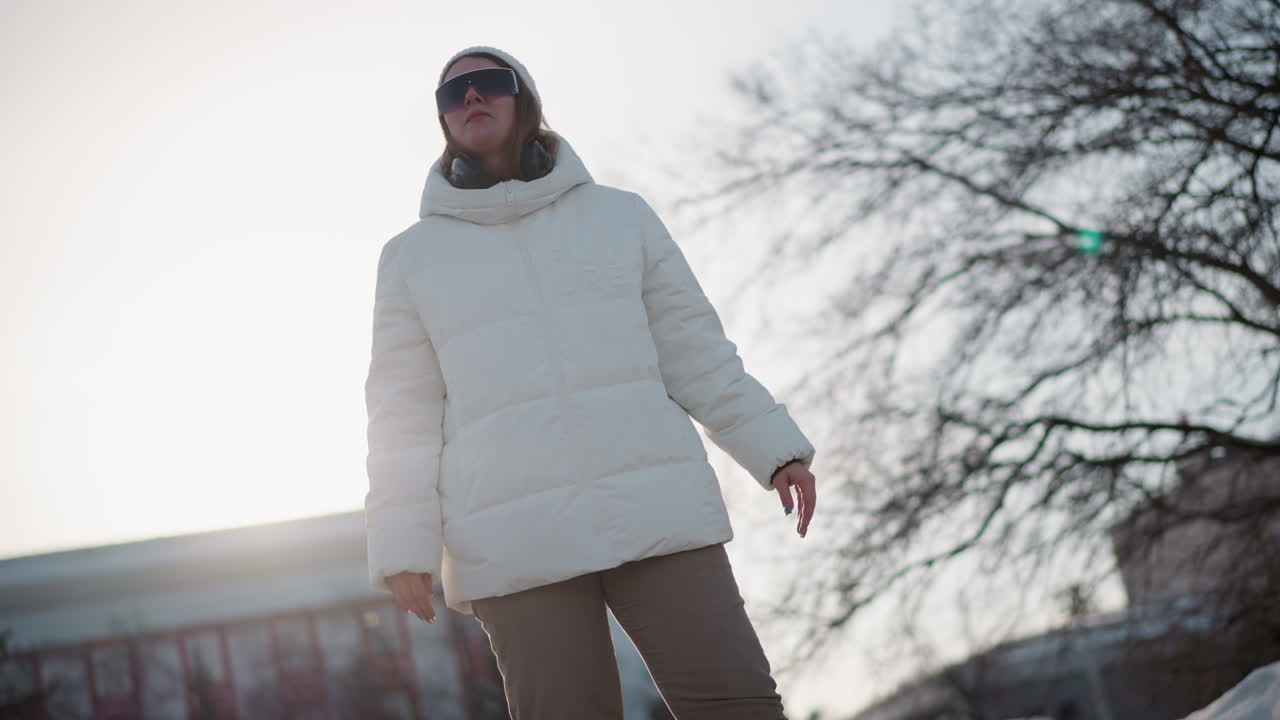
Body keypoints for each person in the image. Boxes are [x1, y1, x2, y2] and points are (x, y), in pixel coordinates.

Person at [364, 45, 818, 720]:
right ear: (443, 119)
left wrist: (775, 451)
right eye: (453, 93)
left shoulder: (620, 216)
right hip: (513, 535)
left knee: (738, 705)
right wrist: (404, 545)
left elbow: (695, 351)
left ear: (525, 98)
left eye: (489, 82)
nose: (472, 98)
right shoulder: (411, 259)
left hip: (655, 505)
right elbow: (402, 416)